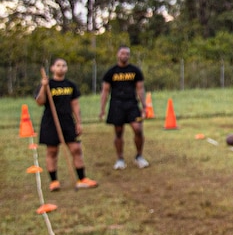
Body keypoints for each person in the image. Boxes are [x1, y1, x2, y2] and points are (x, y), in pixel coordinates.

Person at [34, 58, 98, 191]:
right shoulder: (47, 84)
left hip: (67, 121)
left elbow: (75, 104)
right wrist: (44, 87)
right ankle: (54, 181)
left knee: (76, 148)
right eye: (58, 65)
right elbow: (40, 102)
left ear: (66, 68)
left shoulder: (70, 85)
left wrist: (78, 122)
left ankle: (82, 178)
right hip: (50, 121)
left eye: (64, 65)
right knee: (52, 151)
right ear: (52, 68)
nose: (61, 68)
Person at [98, 45, 149, 169]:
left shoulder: (135, 71)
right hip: (116, 105)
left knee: (138, 129)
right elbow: (105, 91)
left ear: (129, 56)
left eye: (127, 54)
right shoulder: (111, 72)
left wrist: (144, 105)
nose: (124, 56)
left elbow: (140, 89)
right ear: (118, 54)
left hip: (132, 104)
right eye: (122, 53)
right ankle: (120, 159)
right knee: (119, 132)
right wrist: (102, 108)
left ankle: (139, 156)